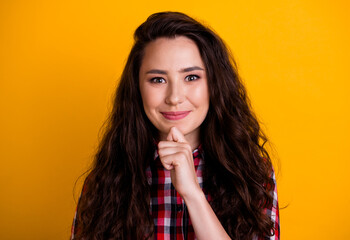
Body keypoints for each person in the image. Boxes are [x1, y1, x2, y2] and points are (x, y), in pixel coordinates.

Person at [71, 11, 279, 240]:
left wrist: (192, 194)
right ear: (137, 89)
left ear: (214, 84)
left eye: (191, 77)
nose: (174, 97)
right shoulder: (106, 179)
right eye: (157, 80)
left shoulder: (250, 171)